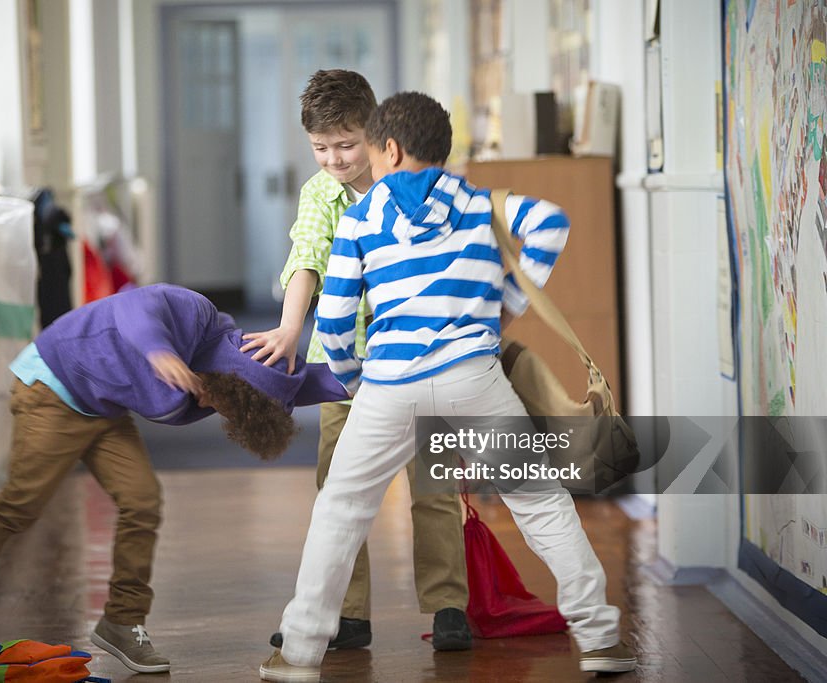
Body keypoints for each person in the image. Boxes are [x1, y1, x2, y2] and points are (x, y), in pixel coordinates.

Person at [259, 92, 637, 682]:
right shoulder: (480, 202)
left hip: (387, 383)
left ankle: (300, 654)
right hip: (475, 380)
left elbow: (333, 322)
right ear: (443, 148)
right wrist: (505, 308)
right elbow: (551, 223)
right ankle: (601, 637)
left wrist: (358, 379)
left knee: (340, 510)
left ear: (389, 148)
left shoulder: (363, 217)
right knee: (540, 505)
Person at [0, 283, 348, 675]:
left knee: (142, 501)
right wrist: (159, 350)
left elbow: (314, 381)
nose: (215, 408)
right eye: (225, 400)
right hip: (53, 385)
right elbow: (134, 307)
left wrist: (380, 375)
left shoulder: (247, 385)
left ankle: (122, 621)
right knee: (22, 503)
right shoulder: (195, 314)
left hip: (102, 409)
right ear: (234, 376)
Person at [242, 69, 472, 652]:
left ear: (375, 135)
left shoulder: (417, 181)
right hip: (343, 369)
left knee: (433, 485)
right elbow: (306, 258)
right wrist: (293, 326)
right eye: (320, 149)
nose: (335, 160)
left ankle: (448, 607)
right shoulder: (319, 194)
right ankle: (346, 614)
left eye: (346, 145)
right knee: (338, 490)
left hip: (423, 360)